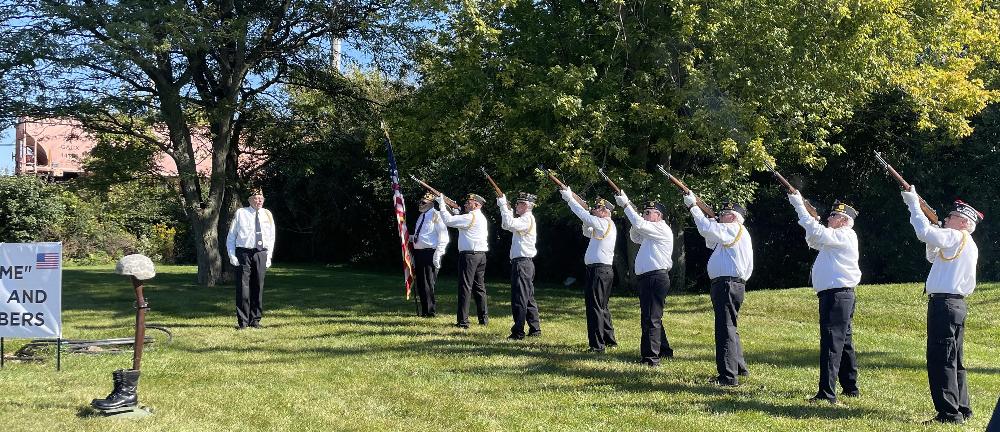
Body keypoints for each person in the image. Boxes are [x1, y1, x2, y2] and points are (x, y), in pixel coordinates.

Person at [901, 188, 983, 424]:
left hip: (944, 305)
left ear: (964, 223)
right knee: (954, 359)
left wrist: (913, 203)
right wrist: (934, 232)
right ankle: (962, 408)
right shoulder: (965, 242)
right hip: (954, 305)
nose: (946, 219)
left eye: (952, 217)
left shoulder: (957, 237)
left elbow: (922, 232)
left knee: (941, 359)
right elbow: (932, 255)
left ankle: (949, 413)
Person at [787, 193, 861, 404]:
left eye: (833, 216)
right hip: (838, 295)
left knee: (831, 343)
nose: (829, 219)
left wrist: (800, 206)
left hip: (837, 295)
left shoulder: (845, 234)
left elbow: (817, 233)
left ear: (844, 220)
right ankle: (850, 387)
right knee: (843, 343)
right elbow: (813, 238)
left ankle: (827, 393)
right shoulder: (835, 238)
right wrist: (808, 216)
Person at [684, 194, 753, 386]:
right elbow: (709, 237)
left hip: (727, 284)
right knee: (730, 327)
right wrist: (707, 217)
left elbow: (707, 229)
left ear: (732, 217)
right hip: (729, 284)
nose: (720, 217)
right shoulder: (732, 232)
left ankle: (728, 377)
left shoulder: (733, 228)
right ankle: (739, 368)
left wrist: (693, 207)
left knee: (725, 329)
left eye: (724, 214)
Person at [615, 191, 675, 366]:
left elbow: (639, 226)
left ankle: (650, 358)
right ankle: (663, 350)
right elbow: (635, 235)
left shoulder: (660, 228)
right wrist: (635, 215)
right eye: (645, 213)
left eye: (650, 213)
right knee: (652, 316)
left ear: (660, 216)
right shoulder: (650, 231)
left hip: (655, 277)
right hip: (649, 278)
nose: (647, 215)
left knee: (651, 318)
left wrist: (626, 205)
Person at [560, 189, 619, 352]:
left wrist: (570, 199)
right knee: (602, 306)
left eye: (598, 209)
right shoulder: (602, 225)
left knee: (595, 307)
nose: (594, 210)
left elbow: (585, 217)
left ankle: (597, 345)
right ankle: (608, 339)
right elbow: (587, 231)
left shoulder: (605, 222)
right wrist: (587, 214)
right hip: (601, 270)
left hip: (599, 270)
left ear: (606, 211)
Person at [226, 189, 276, 330]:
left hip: (261, 253)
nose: (259, 200)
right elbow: (231, 236)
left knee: (258, 286)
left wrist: (269, 256)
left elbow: (271, 237)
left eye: (261, 198)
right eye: (256, 198)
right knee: (243, 287)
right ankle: (243, 321)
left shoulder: (267, 214)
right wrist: (232, 254)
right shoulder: (241, 213)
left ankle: (255, 320)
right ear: (249, 200)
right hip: (244, 253)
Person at [438, 192, 490, 328]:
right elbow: (460, 221)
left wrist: (442, 204)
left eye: (469, 202)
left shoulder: (470, 217)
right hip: (480, 255)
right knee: (479, 288)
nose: (466, 204)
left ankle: (463, 321)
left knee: (465, 287)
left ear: (477, 205)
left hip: (469, 256)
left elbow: (448, 221)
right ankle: (483, 319)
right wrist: (455, 211)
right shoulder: (479, 217)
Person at [498, 192, 541, 340]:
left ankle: (518, 332)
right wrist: (507, 210)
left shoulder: (526, 219)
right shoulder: (524, 219)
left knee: (519, 298)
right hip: (524, 263)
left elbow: (509, 223)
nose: (516, 206)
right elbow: (506, 225)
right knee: (528, 298)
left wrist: (504, 206)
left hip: (522, 263)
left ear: (525, 205)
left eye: (518, 204)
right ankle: (535, 329)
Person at [410, 193, 450, 317]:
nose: (420, 204)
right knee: (421, 282)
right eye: (420, 202)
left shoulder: (436, 215)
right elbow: (421, 236)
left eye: (423, 203)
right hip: (419, 253)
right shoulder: (421, 216)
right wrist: (409, 237)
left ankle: (430, 311)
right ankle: (424, 311)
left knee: (428, 282)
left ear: (431, 203)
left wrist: (438, 254)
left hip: (430, 253)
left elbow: (443, 237)